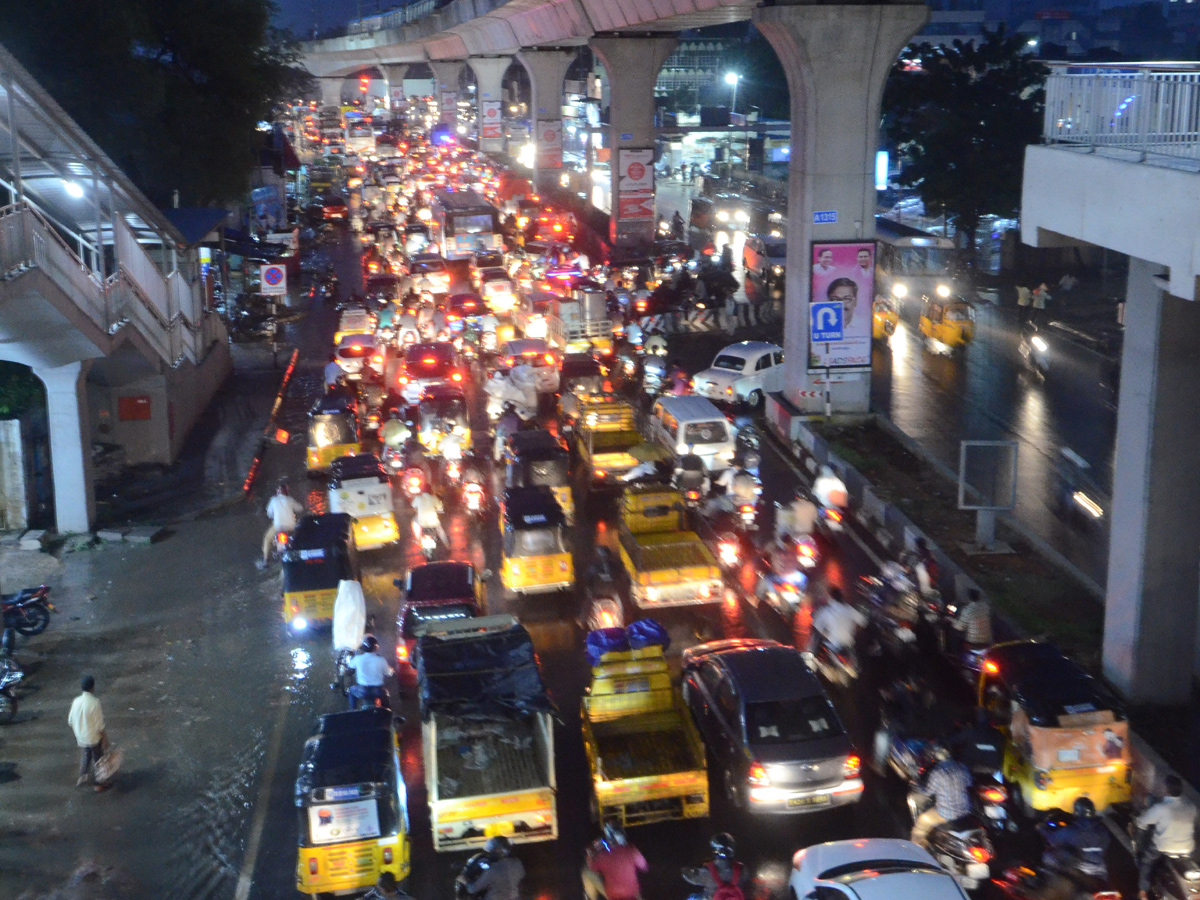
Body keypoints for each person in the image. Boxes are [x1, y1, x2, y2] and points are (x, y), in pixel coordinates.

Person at [1136, 774, 1197, 900]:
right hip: (1187, 848)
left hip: (1164, 847)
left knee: (1146, 861)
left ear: (1166, 790)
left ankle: (1143, 892)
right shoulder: (1191, 806)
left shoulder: (1161, 808)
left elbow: (1142, 822)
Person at [910, 743, 973, 846]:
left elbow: (928, 792)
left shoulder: (938, 772)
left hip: (946, 814)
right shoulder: (963, 767)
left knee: (923, 820)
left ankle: (916, 847)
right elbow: (969, 783)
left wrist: (917, 786)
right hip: (965, 810)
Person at [1043, 797, 1111, 880]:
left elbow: (1052, 839)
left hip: (1079, 870)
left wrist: (1042, 829)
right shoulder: (1103, 831)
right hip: (1100, 870)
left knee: (1047, 856)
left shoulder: (1070, 832)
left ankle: (1050, 882)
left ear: (1076, 812)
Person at [584, 821, 648, 900]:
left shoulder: (603, 855)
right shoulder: (631, 850)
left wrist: (590, 852)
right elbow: (644, 866)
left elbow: (591, 866)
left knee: (586, 872)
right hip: (633, 895)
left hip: (614, 896)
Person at [68, 674, 107, 790]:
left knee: (86, 755)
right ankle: (98, 784)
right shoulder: (95, 702)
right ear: (92, 687)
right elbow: (99, 726)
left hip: (81, 737)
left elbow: (70, 721)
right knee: (98, 758)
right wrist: (105, 740)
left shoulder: (76, 701)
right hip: (93, 738)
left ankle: (83, 775)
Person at [682, 833, 745, 900]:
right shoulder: (742, 870)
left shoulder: (708, 871)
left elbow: (690, 876)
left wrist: (684, 869)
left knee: (692, 897)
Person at [466, 836, 525, 900]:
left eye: (491, 851)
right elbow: (522, 875)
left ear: (496, 851)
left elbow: (472, 889)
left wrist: (465, 881)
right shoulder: (516, 863)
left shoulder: (493, 870)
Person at [259, 481, 303, 569]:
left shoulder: (273, 500)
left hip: (278, 526)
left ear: (278, 491)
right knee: (299, 537)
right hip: (291, 525)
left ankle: (265, 560)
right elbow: (300, 508)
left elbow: (269, 514)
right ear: (286, 492)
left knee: (267, 539)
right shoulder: (290, 499)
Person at [812, 586, 866, 655]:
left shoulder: (826, 610)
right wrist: (853, 629)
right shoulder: (849, 609)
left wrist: (826, 634)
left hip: (833, 644)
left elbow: (817, 625)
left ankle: (811, 654)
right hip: (849, 644)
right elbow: (863, 622)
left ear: (830, 597)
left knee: (816, 634)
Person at [950, 708, 1006, 774]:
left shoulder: (970, 731)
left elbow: (954, 740)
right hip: (994, 769)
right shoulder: (998, 734)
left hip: (972, 767)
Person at [347, 635, 393, 710]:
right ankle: (389, 715)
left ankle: (352, 711)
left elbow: (349, 671)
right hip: (378, 691)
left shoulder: (357, 659)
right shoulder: (381, 660)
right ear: (376, 647)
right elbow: (388, 673)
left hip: (362, 691)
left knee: (351, 691)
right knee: (387, 708)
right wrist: (391, 671)